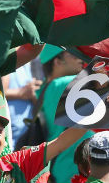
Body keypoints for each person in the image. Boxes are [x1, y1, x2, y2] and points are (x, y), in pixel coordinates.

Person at [37, 45, 89, 182]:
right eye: (73, 53)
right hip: (71, 165)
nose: (80, 58)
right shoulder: (60, 85)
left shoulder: (43, 88)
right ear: (57, 61)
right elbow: (101, 78)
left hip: (66, 164)